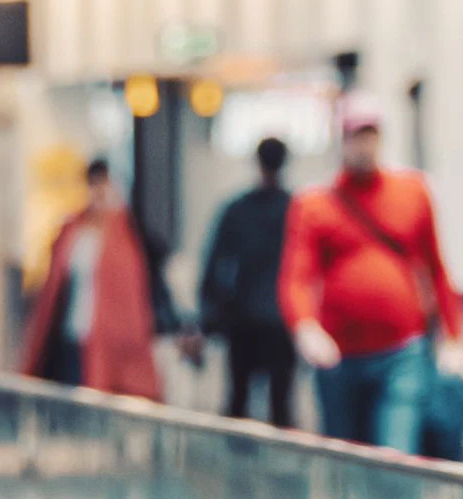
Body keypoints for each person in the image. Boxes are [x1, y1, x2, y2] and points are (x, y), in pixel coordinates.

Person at [281, 96, 463, 454]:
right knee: (346, 462)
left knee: (395, 457)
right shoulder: (314, 204)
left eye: (370, 134)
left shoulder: (413, 193)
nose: (363, 144)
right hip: (339, 358)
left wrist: (454, 339)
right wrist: (305, 327)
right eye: (355, 135)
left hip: (401, 353)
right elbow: (296, 277)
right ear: (342, 140)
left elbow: (437, 270)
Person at [18, 157, 168, 398]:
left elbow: (134, 300)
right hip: (70, 336)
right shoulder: (73, 230)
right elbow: (54, 289)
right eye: (94, 185)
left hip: (111, 345)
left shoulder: (128, 236)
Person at [192, 136, 300, 426]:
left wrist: (208, 318)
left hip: (246, 319)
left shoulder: (238, 210)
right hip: (278, 320)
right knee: (280, 407)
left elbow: (214, 267)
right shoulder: (295, 209)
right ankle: (281, 468)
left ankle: (238, 469)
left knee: (239, 406)